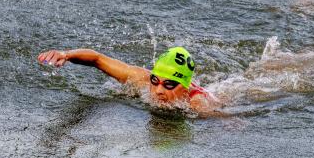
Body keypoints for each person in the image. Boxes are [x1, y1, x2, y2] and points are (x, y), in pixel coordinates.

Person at [37, 47, 220, 114]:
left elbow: (217, 117)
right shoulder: (141, 79)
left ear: (185, 87)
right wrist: (66, 55)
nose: (158, 91)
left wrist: (226, 121)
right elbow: (97, 59)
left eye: (169, 85)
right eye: (155, 81)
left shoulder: (197, 103)